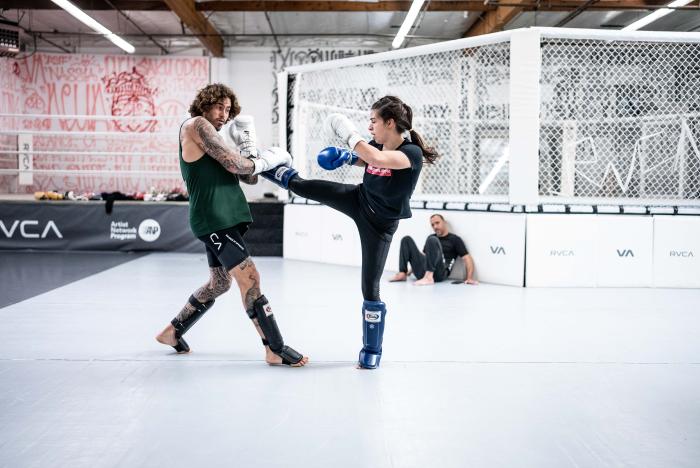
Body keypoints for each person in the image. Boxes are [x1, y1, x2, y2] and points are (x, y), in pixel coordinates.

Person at [263, 95, 438, 369]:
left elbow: (377, 158)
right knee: (305, 186)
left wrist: (348, 134)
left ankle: (372, 350)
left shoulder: (411, 153)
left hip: (379, 226)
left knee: (370, 287)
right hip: (358, 199)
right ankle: (262, 168)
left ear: (390, 123)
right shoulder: (377, 144)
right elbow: (365, 159)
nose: (370, 127)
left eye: (373, 121)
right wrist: (346, 158)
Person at [155, 83, 308, 367]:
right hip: (214, 219)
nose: (224, 114)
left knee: (220, 283)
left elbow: (249, 177)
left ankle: (172, 332)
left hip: (224, 217)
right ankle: (274, 348)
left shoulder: (216, 139)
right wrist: (265, 160)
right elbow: (239, 166)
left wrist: (249, 148)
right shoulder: (196, 125)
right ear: (205, 103)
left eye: (228, 109)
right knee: (250, 279)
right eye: (219, 107)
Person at [389, 214, 478, 286]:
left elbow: (467, 258)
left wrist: (469, 277)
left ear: (444, 222)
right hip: (422, 273)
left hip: (440, 273)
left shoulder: (454, 239)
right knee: (406, 239)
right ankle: (402, 273)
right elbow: (424, 257)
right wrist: (409, 272)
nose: (435, 226)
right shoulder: (431, 237)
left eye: (437, 223)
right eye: (432, 225)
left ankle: (429, 276)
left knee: (433, 240)